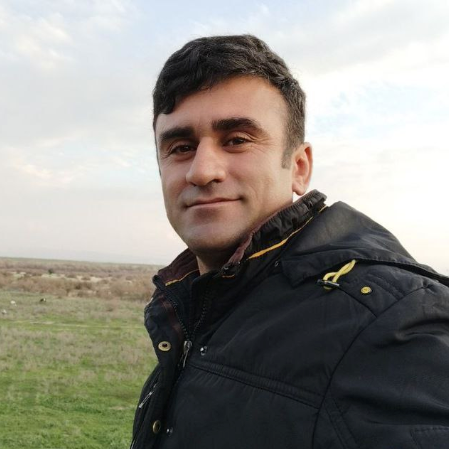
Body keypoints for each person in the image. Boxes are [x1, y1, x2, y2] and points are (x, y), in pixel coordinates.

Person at [131, 35, 449, 449]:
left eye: (237, 140)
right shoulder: (198, 308)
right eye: (180, 147)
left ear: (299, 167)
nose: (202, 171)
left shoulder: (389, 322)